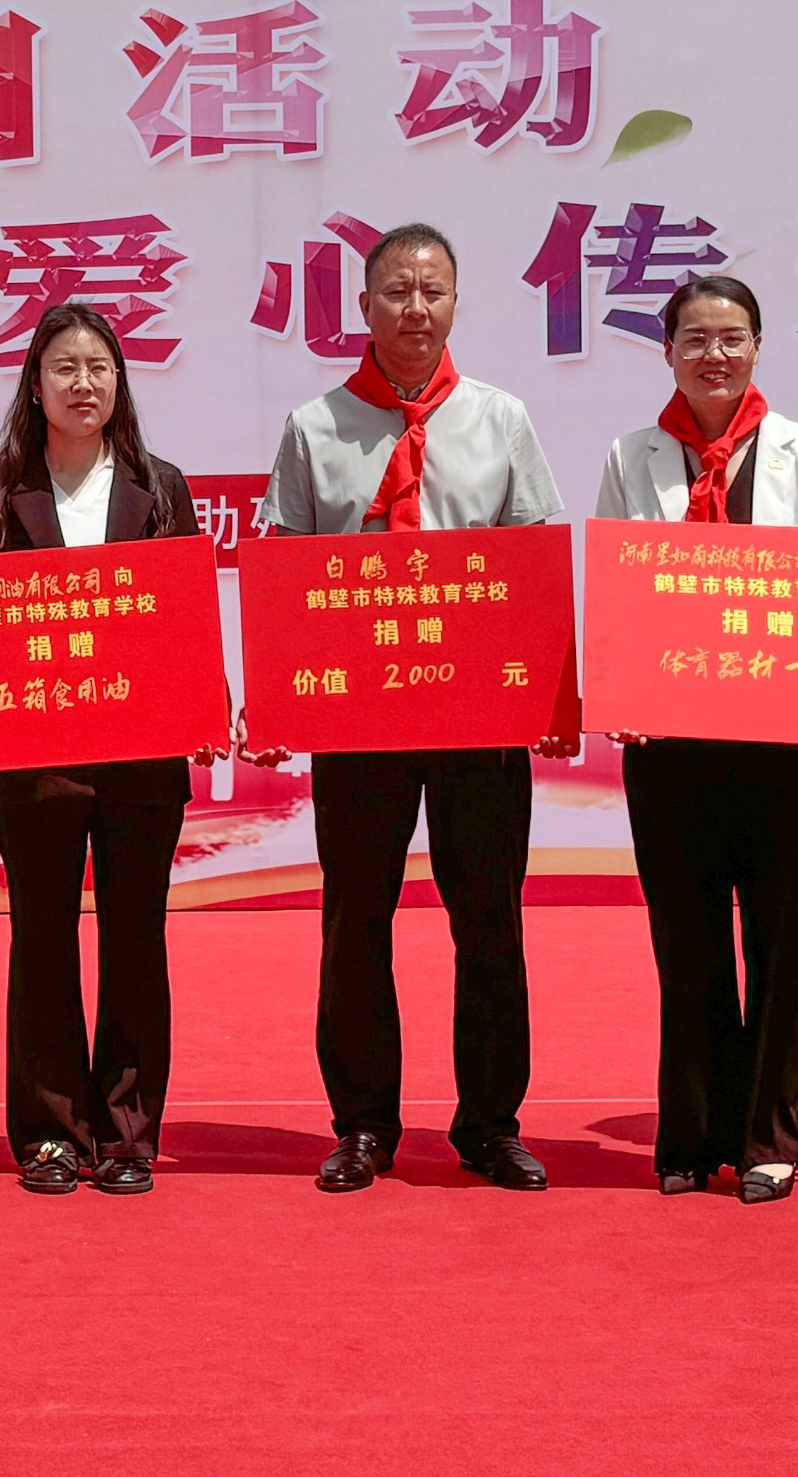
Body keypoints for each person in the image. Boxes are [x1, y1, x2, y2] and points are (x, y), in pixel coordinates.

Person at [245, 222, 569, 1194]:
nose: (414, 309)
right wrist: (276, 705)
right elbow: (280, 576)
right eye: (396, 292)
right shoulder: (315, 424)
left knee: (490, 923)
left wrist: (547, 695)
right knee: (356, 922)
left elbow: (534, 565)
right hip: (360, 720)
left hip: (478, 722)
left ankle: (489, 1122)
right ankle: (362, 1123)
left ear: (457, 303)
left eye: (432, 291)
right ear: (365, 306)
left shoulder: (501, 419)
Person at [593, 274, 798, 1204]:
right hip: (672, 744)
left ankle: (771, 1135)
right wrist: (620, 687)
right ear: (666, 351)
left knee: (793, 938)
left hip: (788, 737)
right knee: (691, 938)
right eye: (695, 338)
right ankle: (694, 1131)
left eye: (733, 337)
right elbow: (618, 587)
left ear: (758, 348)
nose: (715, 353)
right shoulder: (634, 455)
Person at [0, 303, 220, 1197]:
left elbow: (185, 623)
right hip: (37, 760)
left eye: (99, 368)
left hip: (142, 763)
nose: (83, 384)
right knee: (42, 939)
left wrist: (206, 710)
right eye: (64, 367)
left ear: (120, 383)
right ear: (35, 383)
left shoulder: (161, 485)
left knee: (137, 939)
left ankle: (130, 1131)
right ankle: (51, 1132)